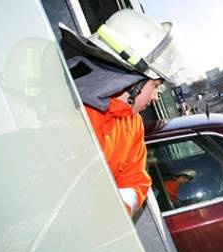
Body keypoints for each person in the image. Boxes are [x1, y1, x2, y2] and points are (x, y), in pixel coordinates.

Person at [61, 9, 183, 216]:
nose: (155, 97)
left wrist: (111, 218)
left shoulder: (132, 123)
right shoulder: (68, 115)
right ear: (132, 81)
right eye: (155, 86)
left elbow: (136, 180)